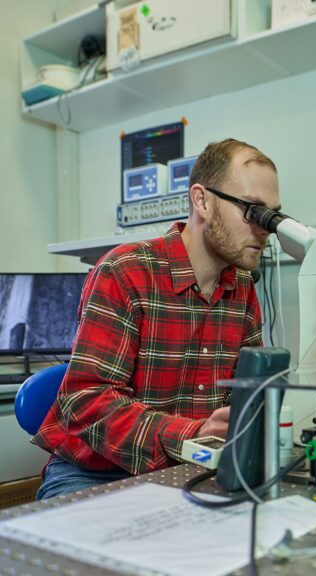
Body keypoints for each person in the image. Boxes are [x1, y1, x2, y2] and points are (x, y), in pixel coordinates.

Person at [32, 138, 281, 499]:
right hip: (96, 470)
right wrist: (190, 433)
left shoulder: (242, 287)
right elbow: (84, 400)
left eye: (272, 215)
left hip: (190, 467)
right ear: (202, 201)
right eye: (253, 210)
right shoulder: (125, 272)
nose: (266, 228)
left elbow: (244, 396)